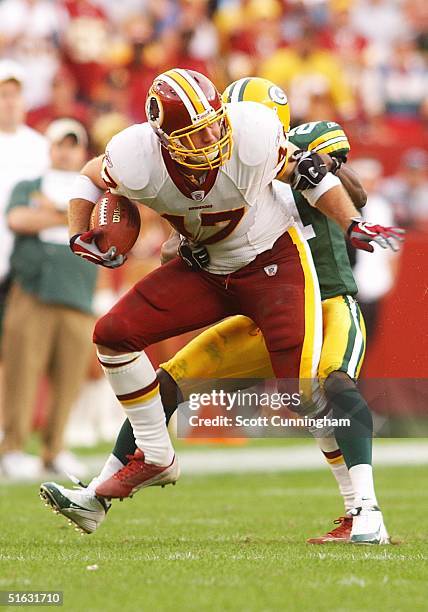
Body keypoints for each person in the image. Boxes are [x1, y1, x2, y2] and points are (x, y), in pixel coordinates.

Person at [40, 69, 401, 541]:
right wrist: (88, 232)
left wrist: (347, 210)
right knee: (155, 369)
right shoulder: (144, 156)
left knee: (316, 388)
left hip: (311, 291)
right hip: (220, 277)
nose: (214, 139)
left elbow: (345, 189)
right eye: (199, 132)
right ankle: (106, 491)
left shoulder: (268, 142)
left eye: (217, 125)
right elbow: (155, 216)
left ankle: (364, 510)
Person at [0, 119, 98, 479]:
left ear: (82, 151)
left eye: (73, 145)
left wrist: (51, 216)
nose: (66, 151)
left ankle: (55, 448)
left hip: (78, 295)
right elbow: (19, 219)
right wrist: (67, 216)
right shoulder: (29, 185)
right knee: (21, 374)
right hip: (33, 292)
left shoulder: (96, 193)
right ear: (50, 147)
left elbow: (107, 230)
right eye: (60, 144)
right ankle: (11, 448)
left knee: (69, 378)